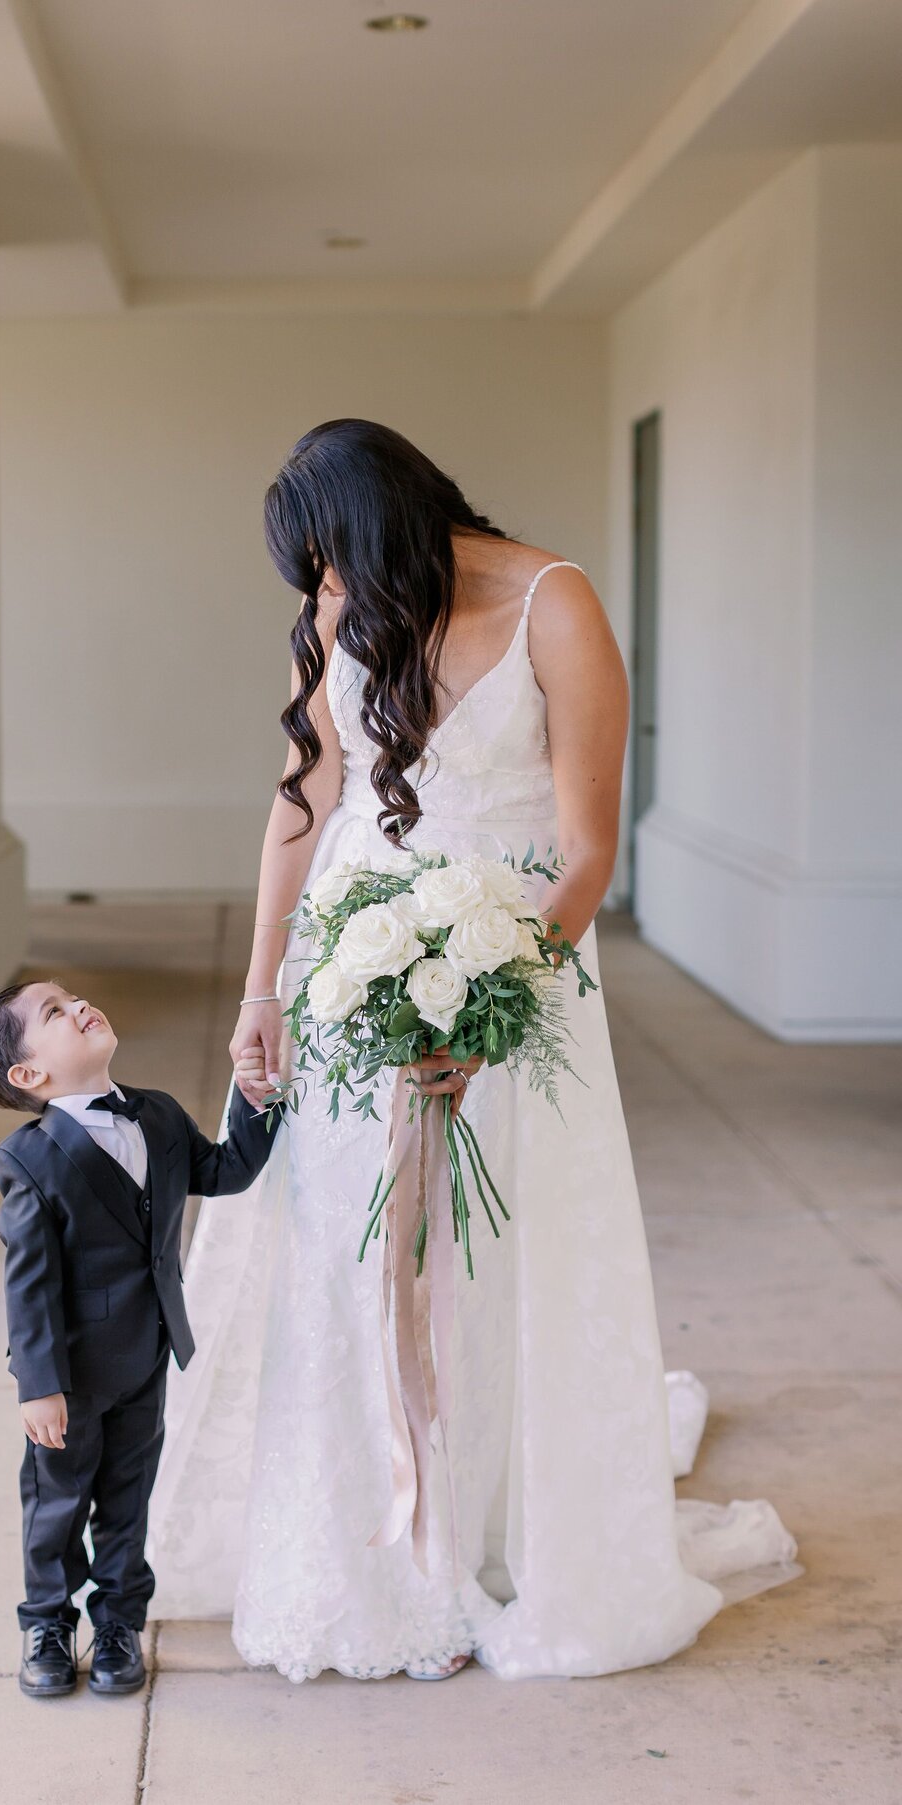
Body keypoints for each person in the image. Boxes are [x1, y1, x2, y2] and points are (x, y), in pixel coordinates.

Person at [146, 418, 796, 1683]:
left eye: (333, 558)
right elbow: (304, 805)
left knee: (498, 1247)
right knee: (347, 1248)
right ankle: (370, 1545)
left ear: (391, 521)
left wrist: (495, 1011)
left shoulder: (556, 601)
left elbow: (591, 844)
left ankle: (488, 1526)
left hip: (513, 966)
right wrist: (262, 987)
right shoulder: (346, 615)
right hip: (353, 966)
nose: (323, 591)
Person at [0, 979, 281, 1699]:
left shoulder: (160, 1116)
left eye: (73, 996)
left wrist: (261, 1101)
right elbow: (29, 1282)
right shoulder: (30, 1160)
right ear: (30, 1075)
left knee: (128, 1498)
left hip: (146, 1357)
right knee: (56, 1502)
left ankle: (117, 1623)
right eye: (53, 1012)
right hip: (69, 1377)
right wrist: (37, 1383)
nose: (78, 1005)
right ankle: (47, 1622)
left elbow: (225, 1170)